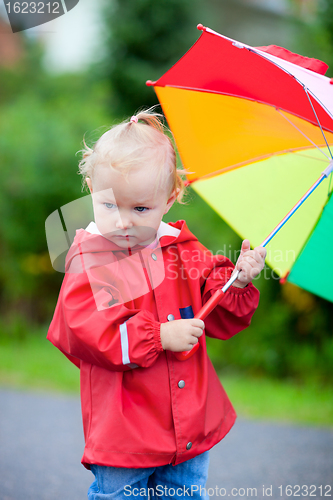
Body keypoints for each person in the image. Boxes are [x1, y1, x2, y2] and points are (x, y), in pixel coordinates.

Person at [47, 110, 266, 499]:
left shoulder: (182, 249)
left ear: (171, 198)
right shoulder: (92, 256)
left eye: (140, 209)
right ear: (90, 187)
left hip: (186, 421)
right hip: (125, 427)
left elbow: (220, 309)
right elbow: (83, 328)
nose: (123, 222)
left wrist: (239, 279)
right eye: (110, 205)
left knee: (182, 493)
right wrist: (159, 335)